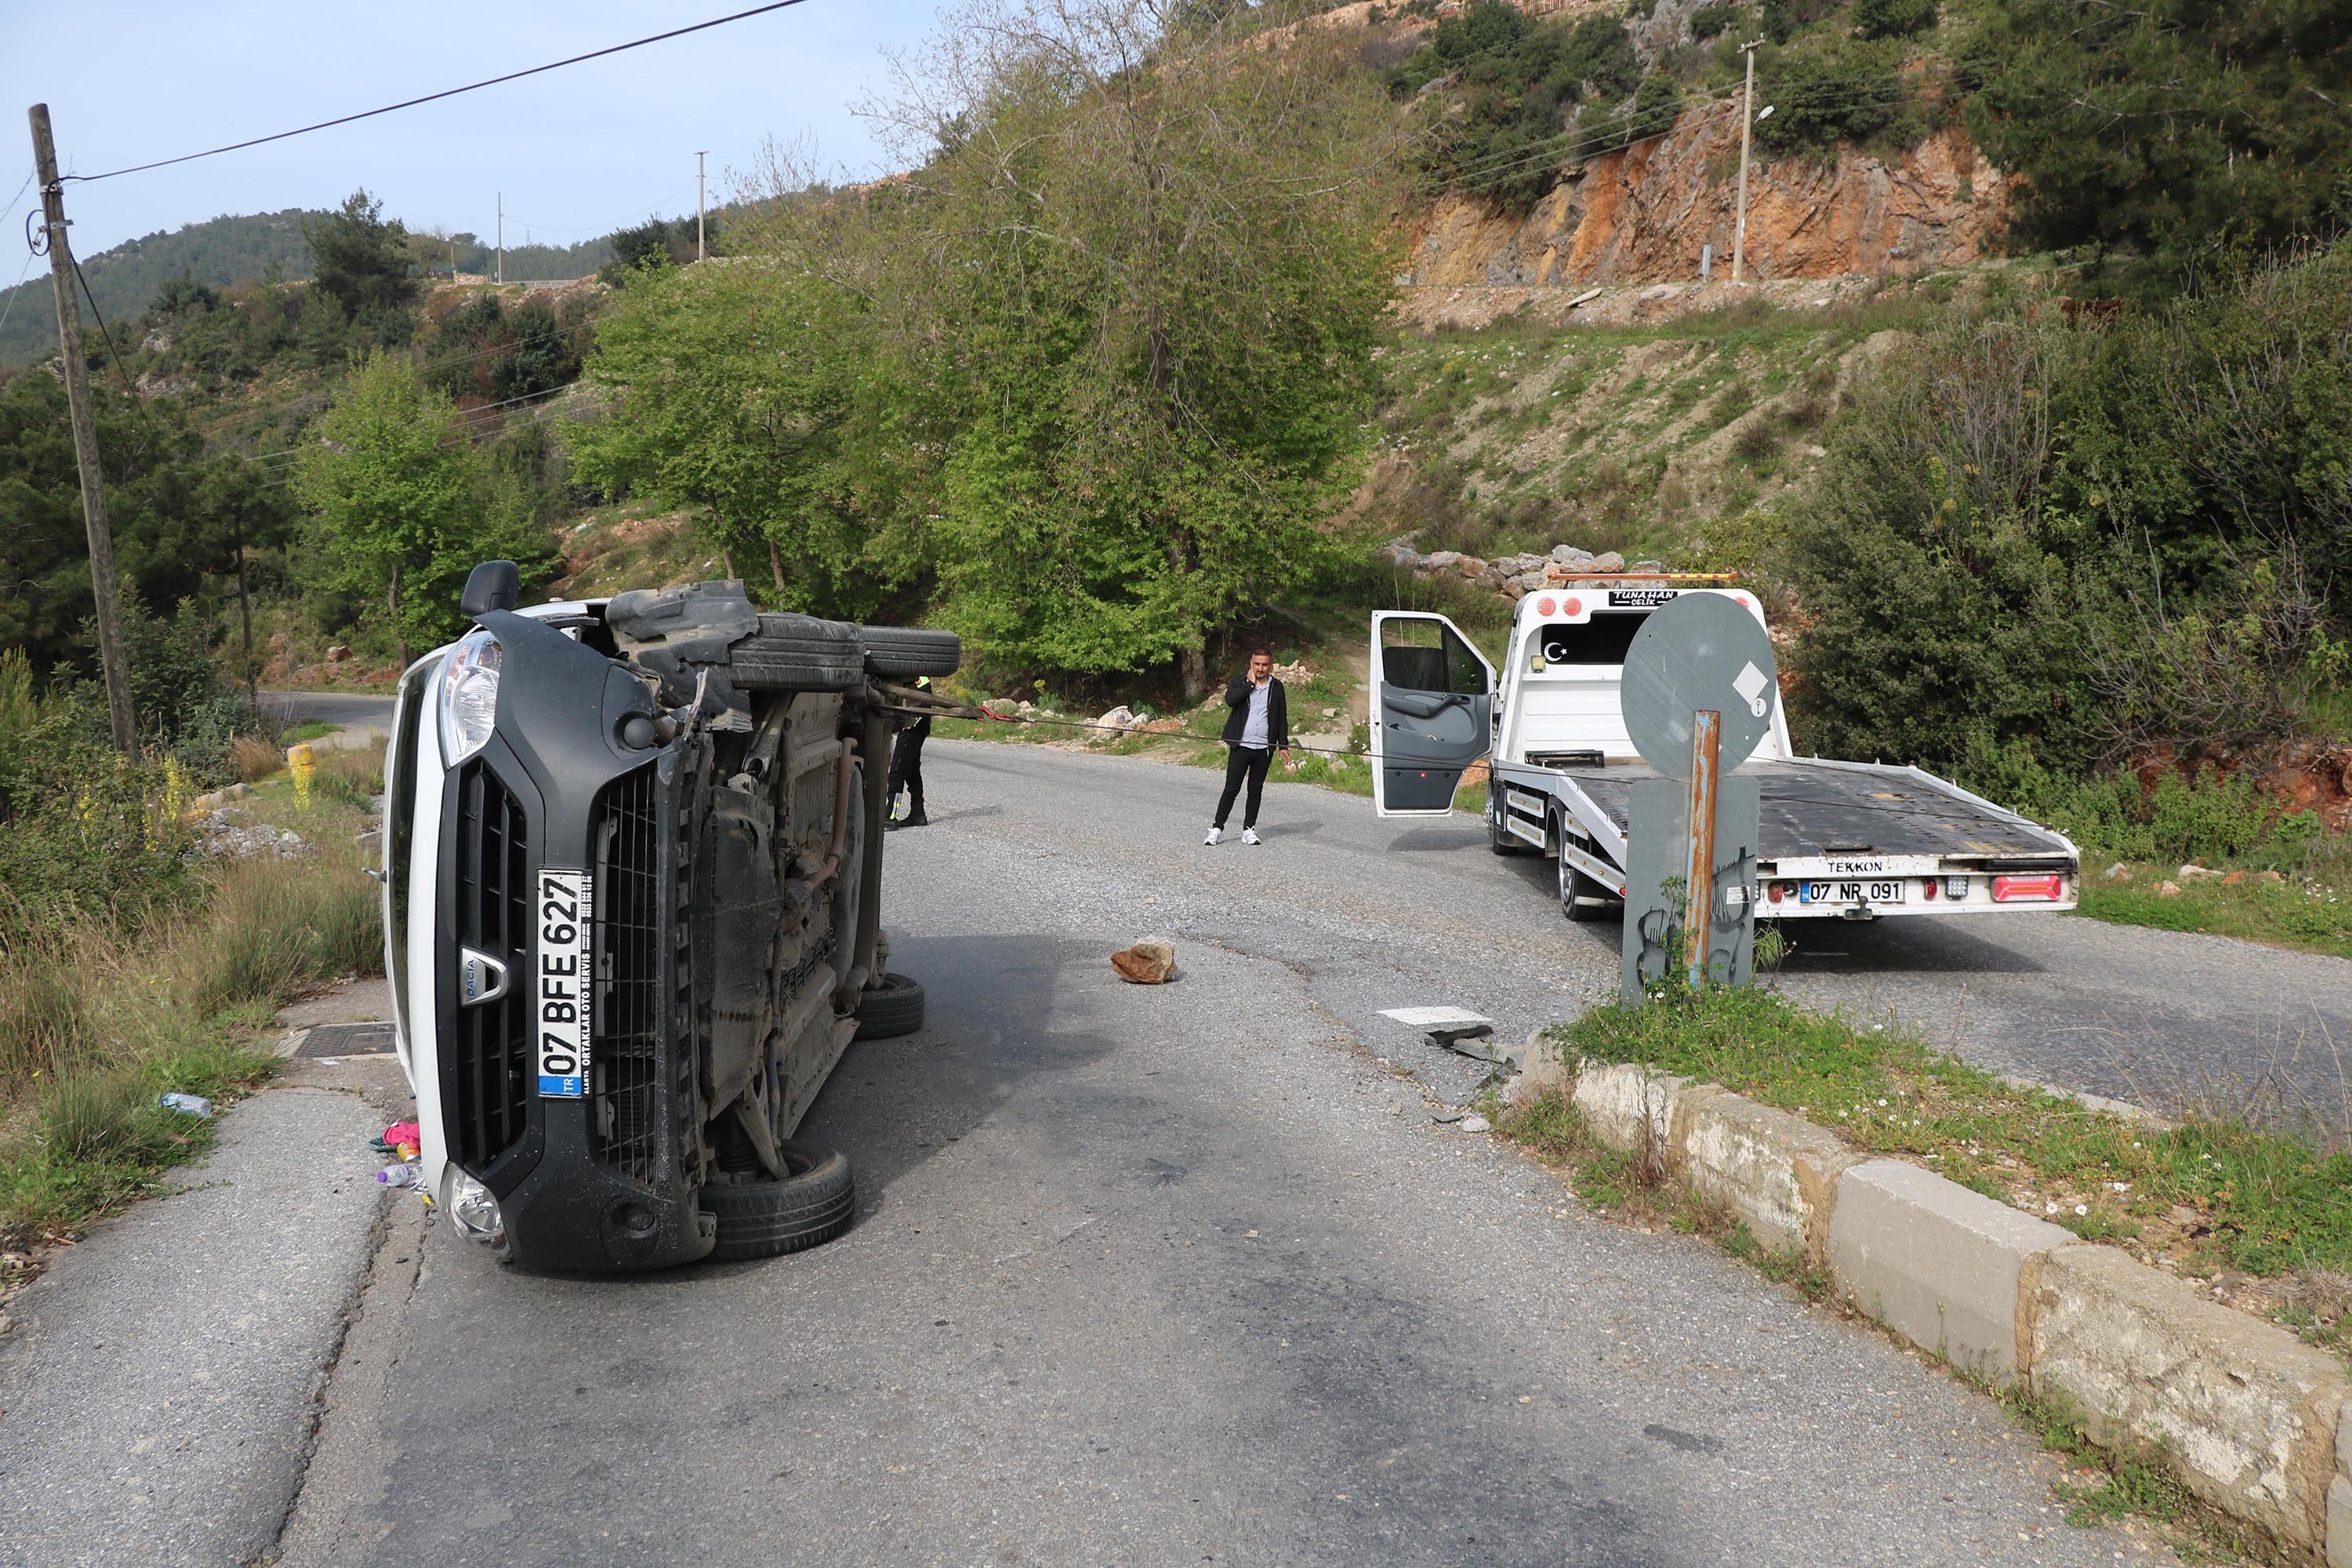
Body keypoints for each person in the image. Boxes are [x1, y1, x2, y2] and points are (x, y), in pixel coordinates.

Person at [1204, 650, 1290, 846]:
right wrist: (1250, 684)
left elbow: (1281, 717)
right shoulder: (1239, 682)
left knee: (1255, 790)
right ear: (1251, 663)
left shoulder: (1277, 687)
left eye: (1264, 665)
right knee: (1231, 789)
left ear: (1271, 665)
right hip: (1240, 746)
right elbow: (1231, 701)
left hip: (1264, 749)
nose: (1260, 669)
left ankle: (1248, 830)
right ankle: (1217, 828)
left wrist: (1283, 745)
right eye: (1257, 664)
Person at [885, 676, 931, 830]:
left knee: (897, 772)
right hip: (917, 726)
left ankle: (891, 816)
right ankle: (918, 814)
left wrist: (909, 724)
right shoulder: (915, 673)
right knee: (912, 771)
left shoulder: (917, 675)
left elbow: (924, 702)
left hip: (913, 727)